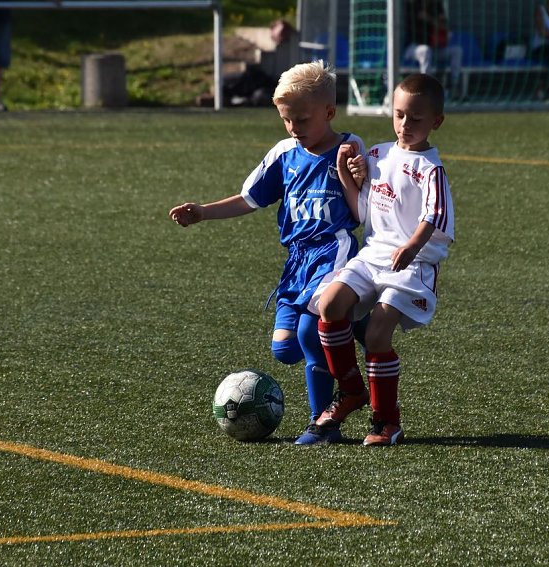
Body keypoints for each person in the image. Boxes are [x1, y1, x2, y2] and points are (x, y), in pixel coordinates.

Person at [169, 60, 365, 445]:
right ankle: (354, 323)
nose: (294, 128)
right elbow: (248, 199)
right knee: (284, 349)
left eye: (302, 120)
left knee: (311, 335)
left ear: (329, 112)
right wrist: (203, 212)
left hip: (333, 251)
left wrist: (355, 173)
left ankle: (323, 425)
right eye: (287, 120)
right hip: (297, 261)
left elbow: (364, 206)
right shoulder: (284, 153)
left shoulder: (348, 147)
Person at [311, 73, 455, 446]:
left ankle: (386, 421)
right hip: (373, 253)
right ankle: (351, 391)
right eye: (399, 115)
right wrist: (346, 172)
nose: (406, 124)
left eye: (416, 119)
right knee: (329, 305)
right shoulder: (377, 154)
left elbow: (435, 216)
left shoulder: (430, 169)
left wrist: (410, 247)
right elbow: (362, 210)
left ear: (436, 122)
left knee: (376, 335)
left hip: (413, 264)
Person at [403, 0, 463, 96]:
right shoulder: (413, 5)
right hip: (414, 48)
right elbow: (418, 20)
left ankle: (454, 86)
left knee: (457, 51)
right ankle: (426, 89)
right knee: (425, 50)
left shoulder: (437, 6)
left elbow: (445, 27)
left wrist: (430, 19)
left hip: (435, 49)